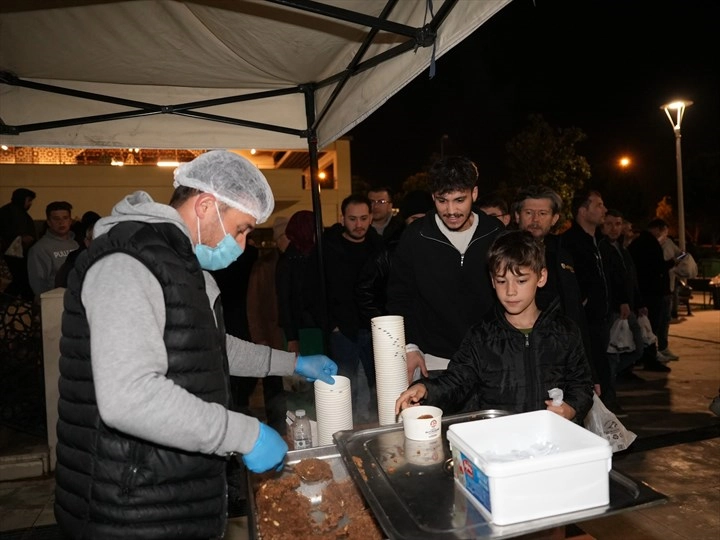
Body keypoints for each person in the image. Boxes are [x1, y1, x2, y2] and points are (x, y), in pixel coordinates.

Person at [54, 150, 338, 539]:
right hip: (129, 502)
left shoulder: (185, 267)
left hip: (174, 490)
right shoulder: (127, 262)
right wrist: (245, 435)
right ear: (205, 206)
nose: (242, 244)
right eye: (241, 229)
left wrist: (294, 363)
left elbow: (214, 348)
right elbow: (129, 397)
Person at [395, 230, 593, 424]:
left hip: (551, 435)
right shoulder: (481, 335)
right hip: (499, 435)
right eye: (501, 281)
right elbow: (456, 381)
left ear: (541, 277)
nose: (510, 291)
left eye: (521, 280)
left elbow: (582, 385)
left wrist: (571, 408)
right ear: (492, 281)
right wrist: (425, 389)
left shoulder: (565, 331)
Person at [387, 156, 502, 385]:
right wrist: (409, 346)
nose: (451, 210)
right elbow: (399, 296)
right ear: (433, 197)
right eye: (442, 201)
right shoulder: (416, 235)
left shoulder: (495, 232)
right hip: (433, 360)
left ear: (474, 194)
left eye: (459, 200)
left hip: (489, 357)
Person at [307, 193, 384, 424]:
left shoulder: (379, 247)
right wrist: (331, 325)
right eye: (352, 219)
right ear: (342, 219)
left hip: (375, 328)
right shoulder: (326, 249)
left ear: (371, 218)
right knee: (343, 387)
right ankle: (345, 431)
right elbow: (312, 290)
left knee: (379, 386)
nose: (358, 224)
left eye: (363, 218)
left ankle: (378, 428)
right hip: (342, 332)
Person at [512, 185, 597, 393]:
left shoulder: (563, 254)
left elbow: (576, 313)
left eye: (542, 213)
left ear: (554, 218)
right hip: (518, 357)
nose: (535, 219)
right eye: (529, 212)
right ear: (517, 216)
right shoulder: (504, 253)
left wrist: (590, 374)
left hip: (562, 359)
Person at [560, 189, 621, 413]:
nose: (604, 210)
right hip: (583, 319)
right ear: (583, 211)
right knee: (590, 364)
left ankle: (606, 403)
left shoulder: (600, 243)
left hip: (602, 316)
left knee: (603, 360)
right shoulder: (569, 242)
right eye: (598, 205)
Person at [356, 189, 433, 321]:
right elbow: (364, 291)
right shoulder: (390, 251)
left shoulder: (441, 248)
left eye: (425, 218)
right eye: (414, 219)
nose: (420, 224)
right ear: (406, 220)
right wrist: (386, 322)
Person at [599, 209, 648, 384]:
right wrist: (620, 302)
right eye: (609, 224)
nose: (614, 228)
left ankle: (609, 378)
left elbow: (631, 278)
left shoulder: (621, 249)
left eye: (618, 224)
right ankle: (608, 385)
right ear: (602, 226)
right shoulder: (602, 249)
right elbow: (610, 280)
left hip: (628, 307)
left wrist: (639, 303)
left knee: (638, 348)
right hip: (614, 310)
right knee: (613, 351)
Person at [628, 218, 677, 369]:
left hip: (643, 291)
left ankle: (642, 356)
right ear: (657, 229)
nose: (664, 235)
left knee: (646, 325)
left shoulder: (638, 243)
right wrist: (672, 263)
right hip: (652, 292)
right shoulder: (650, 243)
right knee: (652, 326)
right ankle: (649, 357)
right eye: (664, 232)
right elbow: (657, 267)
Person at [27, 200, 78, 297]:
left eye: (65, 218)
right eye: (56, 219)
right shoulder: (40, 248)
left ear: (70, 221)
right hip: (54, 299)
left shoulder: (75, 244)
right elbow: (38, 282)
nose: (61, 222)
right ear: (49, 222)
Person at [0, 188, 37, 299]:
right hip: (12, 254)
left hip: (16, 253)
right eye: (29, 200)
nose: (30, 204)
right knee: (21, 279)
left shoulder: (11, 211)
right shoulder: (13, 213)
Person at [54, 211, 102, 288]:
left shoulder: (113, 259)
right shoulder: (74, 262)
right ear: (87, 242)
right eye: (96, 240)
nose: (101, 244)